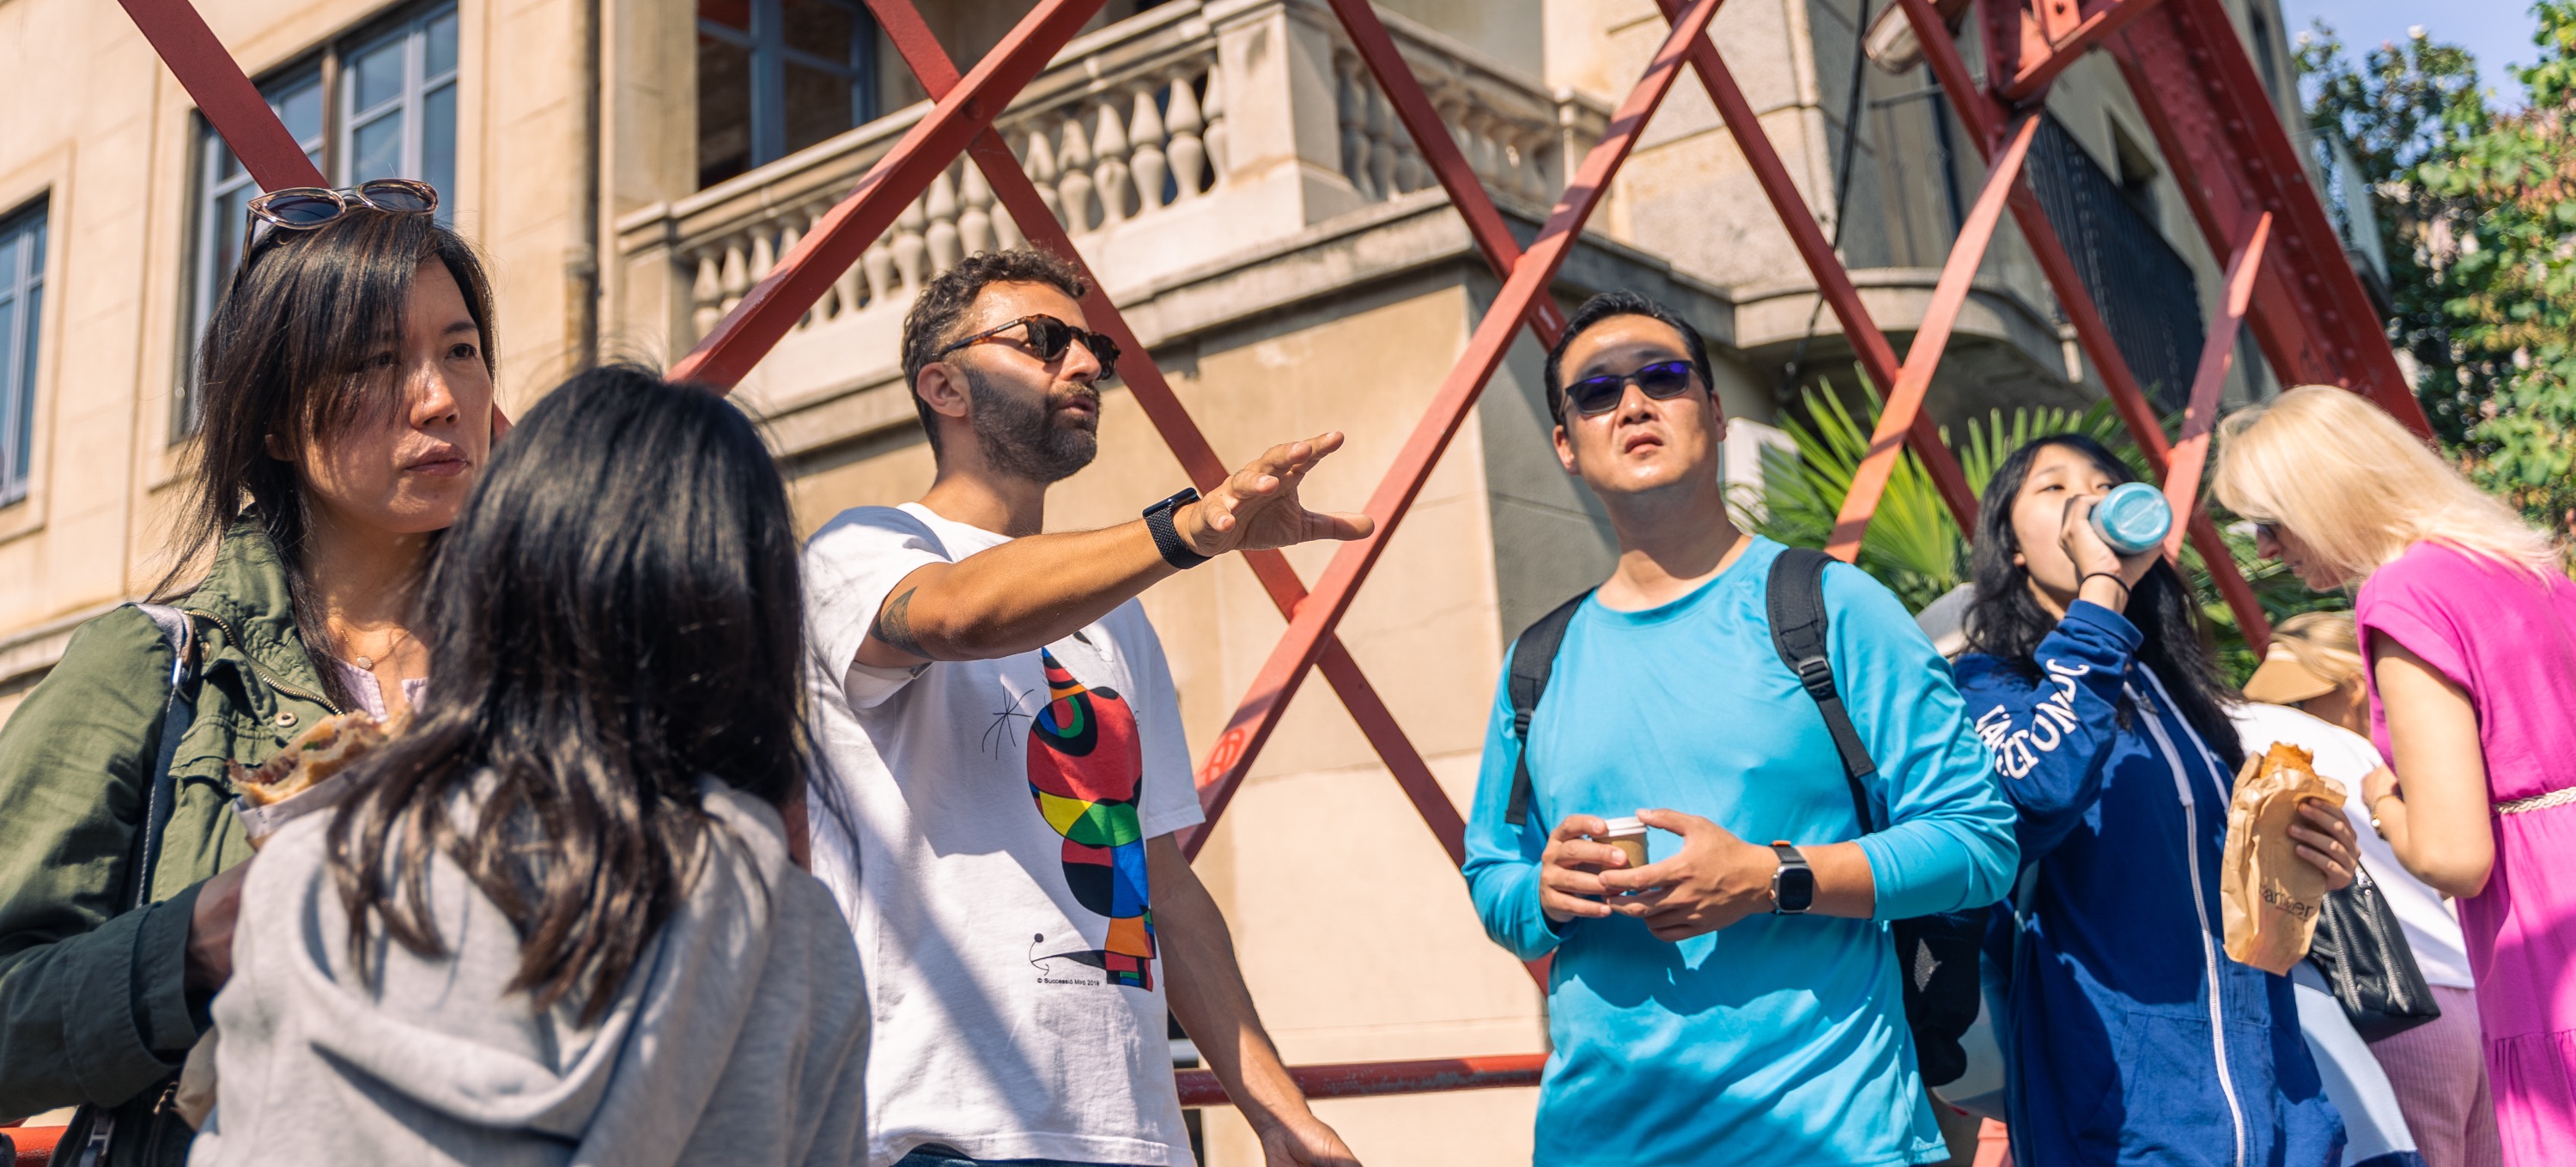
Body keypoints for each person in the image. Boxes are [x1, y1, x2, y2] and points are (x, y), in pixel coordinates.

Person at [190, 362, 868, 1164]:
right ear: (748, 624)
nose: (437, 396)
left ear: (491, 582)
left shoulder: (316, 876)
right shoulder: (805, 941)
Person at [800, 249, 1373, 1167]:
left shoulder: (1118, 614)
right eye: (1043, 339)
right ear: (942, 384)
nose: (1086, 363)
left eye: (1092, 344)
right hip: (946, 1133)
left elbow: (1162, 886)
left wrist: (1279, 1112)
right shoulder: (863, 546)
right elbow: (956, 613)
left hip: (1133, 1136)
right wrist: (1189, 527)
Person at [1461, 290, 2017, 1165]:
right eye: (1597, 392)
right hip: (1597, 1143)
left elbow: (1979, 841)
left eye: (1663, 376)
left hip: (1835, 1139)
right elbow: (1492, 873)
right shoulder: (1538, 657)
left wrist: (1770, 876)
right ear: (1566, 444)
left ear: (1715, 416)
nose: (1634, 403)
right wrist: (1544, 889)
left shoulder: (1834, 608)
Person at [0, 183, 494, 1167]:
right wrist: (190, 945)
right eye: (377, 360)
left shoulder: (551, 674)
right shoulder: (153, 668)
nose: (440, 397)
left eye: (461, 349)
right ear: (272, 421)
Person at [1953, 432, 2361, 1167]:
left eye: (2107, 483)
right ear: (2010, 547)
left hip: (2277, 1100)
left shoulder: (2177, 692)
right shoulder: (1988, 683)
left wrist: (2312, 860)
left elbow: (2227, 888)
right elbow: (2034, 797)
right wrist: (2101, 593)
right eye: (2054, 488)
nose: (2091, 499)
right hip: (2119, 1110)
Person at [2215, 385, 2576, 1167]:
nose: (2265, 550)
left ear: (2321, 497)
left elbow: (2454, 857)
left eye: (2268, 524)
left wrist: (2381, 797)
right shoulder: (2517, 564)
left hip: (2542, 931)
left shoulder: (2407, 591)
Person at [2240, 611, 2500, 1167]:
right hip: (2461, 990)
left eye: (2310, 696)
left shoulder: (2251, 734)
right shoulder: (2367, 753)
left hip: (2380, 1003)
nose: (2305, 711)